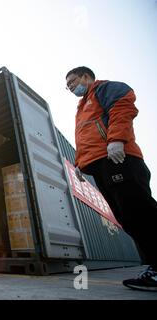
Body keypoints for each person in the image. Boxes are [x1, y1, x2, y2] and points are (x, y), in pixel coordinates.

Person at [66, 66, 157, 292]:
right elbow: (86, 138)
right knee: (127, 217)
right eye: (67, 86)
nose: (70, 87)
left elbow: (123, 106)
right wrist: (79, 164)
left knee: (139, 212)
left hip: (117, 157)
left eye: (72, 81)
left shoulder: (104, 89)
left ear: (86, 76)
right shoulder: (82, 106)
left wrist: (116, 139)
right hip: (100, 165)